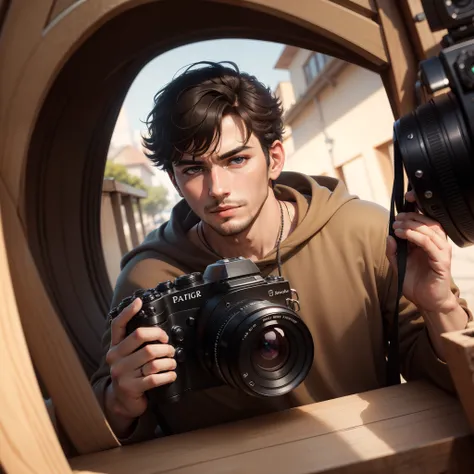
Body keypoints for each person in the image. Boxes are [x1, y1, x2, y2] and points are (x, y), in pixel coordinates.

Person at [90, 61, 472, 444]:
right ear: (174, 180)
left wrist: (440, 307)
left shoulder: (366, 235)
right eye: (193, 169)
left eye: (236, 159)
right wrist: (121, 401)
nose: (217, 188)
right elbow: (109, 431)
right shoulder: (148, 280)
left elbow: (454, 381)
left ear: (274, 159)